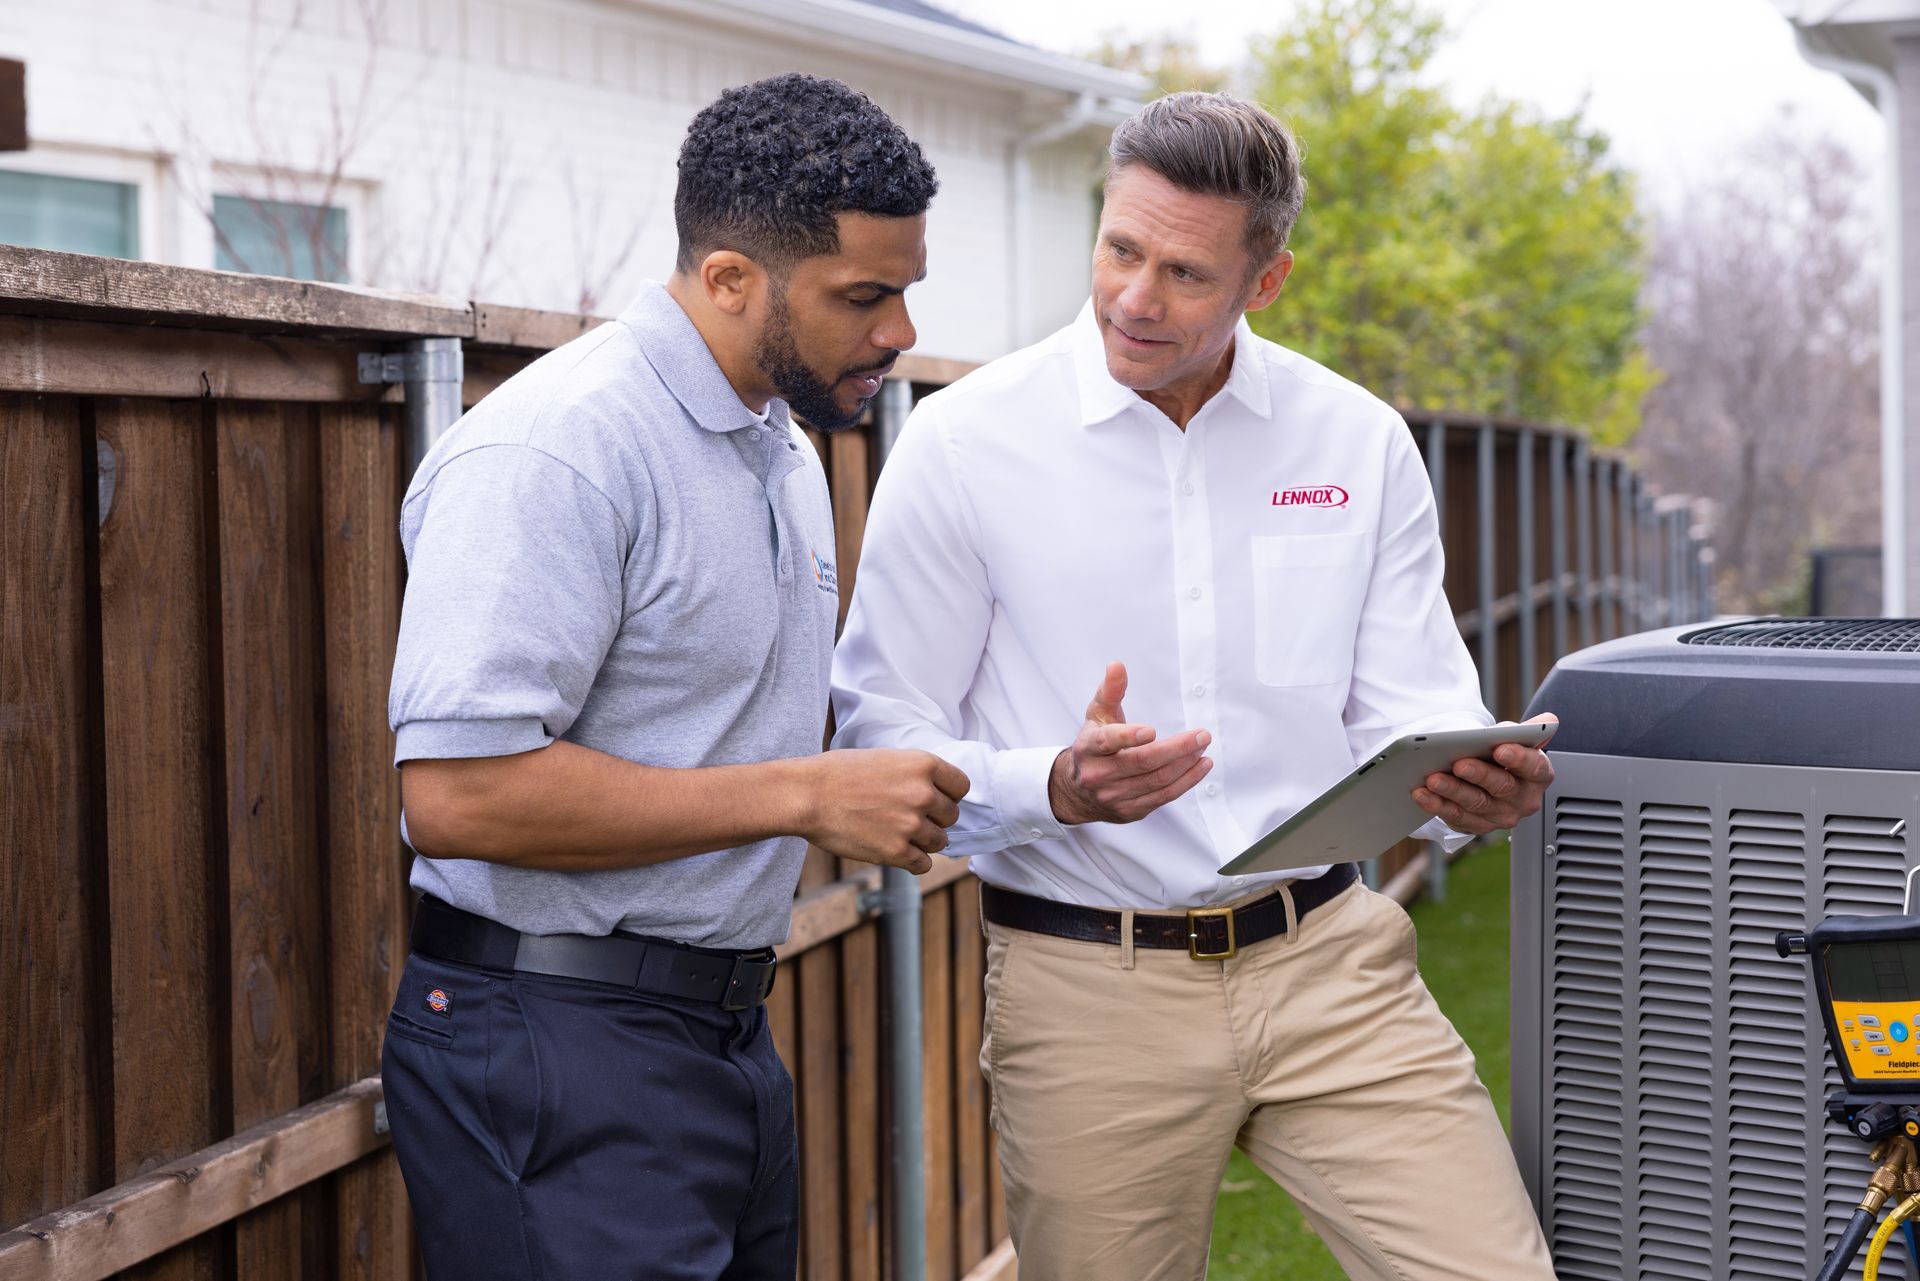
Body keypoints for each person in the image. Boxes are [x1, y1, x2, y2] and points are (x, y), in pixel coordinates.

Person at [831, 90, 1559, 1280]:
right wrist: (1054, 787)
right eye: (1122, 249)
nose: (1134, 297)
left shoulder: (1356, 442)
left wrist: (1464, 771)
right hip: (1085, 987)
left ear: (1262, 284)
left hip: (1331, 966)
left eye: (1184, 273)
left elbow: (1411, 710)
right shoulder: (965, 447)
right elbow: (880, 738)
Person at [380, 73, 967, 1280]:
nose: (900, 332)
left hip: (719, 1034)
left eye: (905, 291)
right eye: (865, 296)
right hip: (552, 1042)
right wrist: (805, 798)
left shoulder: (784, 449)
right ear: (729, 279)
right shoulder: (559, 451)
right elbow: (458, 796)